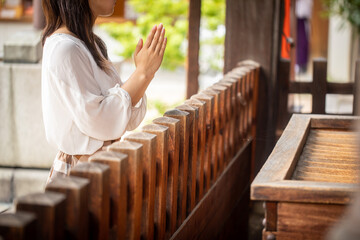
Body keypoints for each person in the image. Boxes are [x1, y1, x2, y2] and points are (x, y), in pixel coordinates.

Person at [41, 0, 167, 184]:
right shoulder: (64, 48)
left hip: (102, 166)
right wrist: (142, 73)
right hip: (81, 173)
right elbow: (99, 122)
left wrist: (144, 73)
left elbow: (125, 119)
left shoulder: (89, 44)